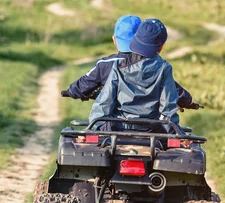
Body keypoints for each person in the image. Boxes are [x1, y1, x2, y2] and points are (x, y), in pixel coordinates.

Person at [61, 15, 198, 110]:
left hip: (113, 126)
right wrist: (189, 102)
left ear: (114, 40)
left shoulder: (105, 65)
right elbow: (175, 90)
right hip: (150, 128)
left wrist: (71, 91)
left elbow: (82, 85)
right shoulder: (155, 66)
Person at [88, 18, 183, 133]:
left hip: (118, 130)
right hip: (150, 131)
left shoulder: (119, 65)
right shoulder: (164, 68)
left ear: (135, 40)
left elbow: (104, 102)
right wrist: (176, 133)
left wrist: (93, 129)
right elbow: (168, 107)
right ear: (161, 46)